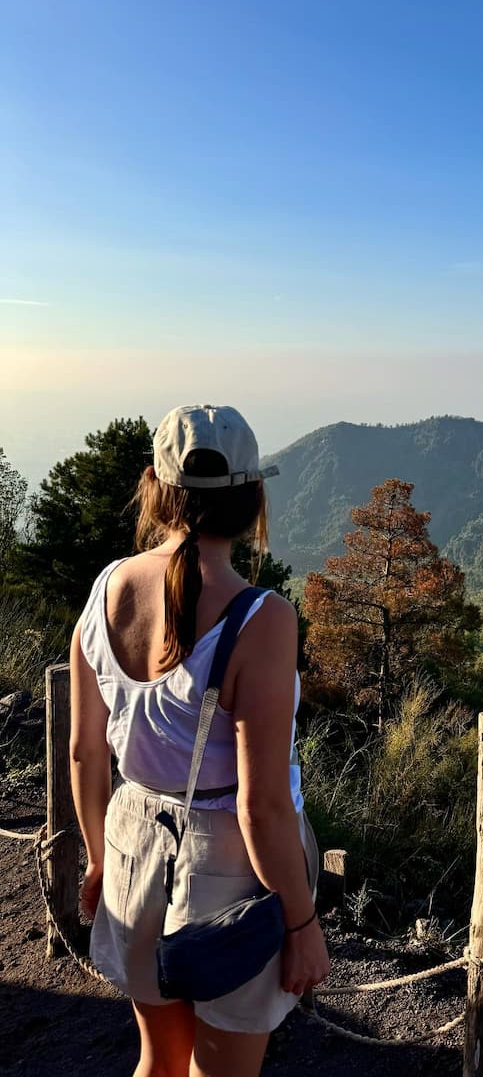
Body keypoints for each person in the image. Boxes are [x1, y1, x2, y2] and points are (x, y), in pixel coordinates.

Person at [69, 404, 330, 1077]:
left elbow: (85, 753)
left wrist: (100, 860)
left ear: (155, 488)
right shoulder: (262, 619)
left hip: (131, 841)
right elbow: (262, 807)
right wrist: (302, 927)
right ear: (253, 498)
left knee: (157, 1061)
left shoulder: (104, 592)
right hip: (230, 871)